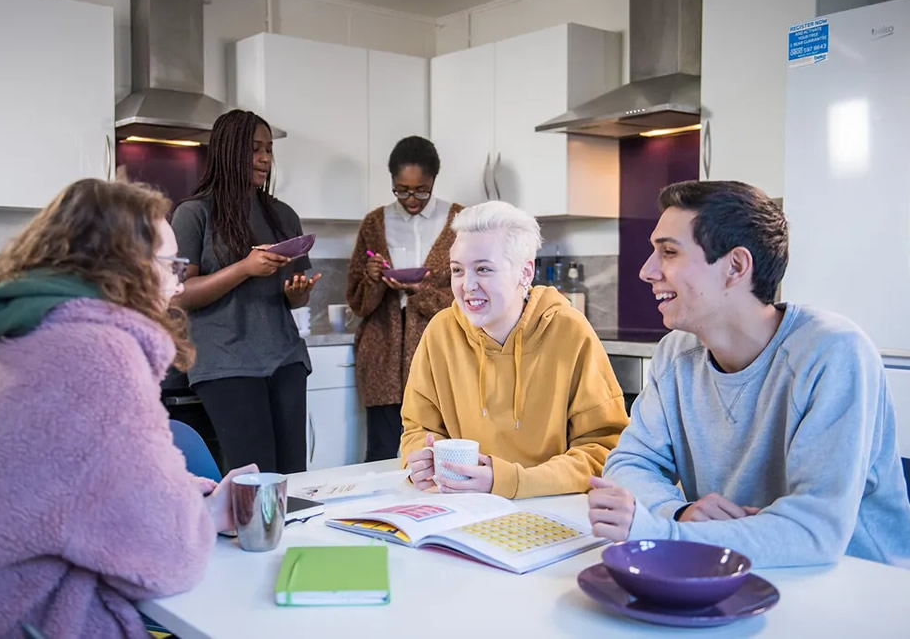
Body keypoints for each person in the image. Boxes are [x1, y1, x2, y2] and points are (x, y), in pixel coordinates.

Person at [0, 179, 257, 637]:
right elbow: (170, 560)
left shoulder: (36, 336)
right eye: (171, 265)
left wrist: (184, 495)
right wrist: (210, 516)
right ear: (125, 266)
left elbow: (82, 477)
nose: (176, 287)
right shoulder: (96, 357)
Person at [588, 180, 910, 568]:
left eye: (669, 252)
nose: (646, 271)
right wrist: (676, 512)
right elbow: (627, 463)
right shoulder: (675, 353)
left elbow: (814, 532)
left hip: (856, 586)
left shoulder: (833, 353)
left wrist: (666, 533)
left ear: (735, 266)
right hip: (735, 571)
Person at [400, 201, 629, 499]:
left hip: (550, 508)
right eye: (457, 270)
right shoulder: (440, 331)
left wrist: (511, 481)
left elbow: (604, 451)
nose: (467, 285)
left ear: (525, 272)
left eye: (483, 269)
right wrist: (420, 459)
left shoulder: (570, 332)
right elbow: (418, 428)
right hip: (460, 508)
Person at [172, 110, 320, 474]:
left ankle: (292, 535)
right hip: (225, 362)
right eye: (255, 149)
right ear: (228, 152)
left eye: (268, 150)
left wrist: (298, 295)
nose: (265, 159)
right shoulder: (194, 214)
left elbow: (292, 295)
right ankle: (252, 534)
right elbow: (180, 295)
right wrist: (244, 268)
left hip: (285, 357)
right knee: (255, 480)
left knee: (292, 479)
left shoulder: (282, 215)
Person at [347, 136, 464, 461]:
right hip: (383, 356)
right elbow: (358, 303)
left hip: (440, 353)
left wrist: (420, 292)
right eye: (402, 190)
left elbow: (469, 298)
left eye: (421, 190)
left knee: (438, 452)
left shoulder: (461, 222)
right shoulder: (374, 223)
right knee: (383, 453)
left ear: (434, 181)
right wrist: (373, 278)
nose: (411, 199)